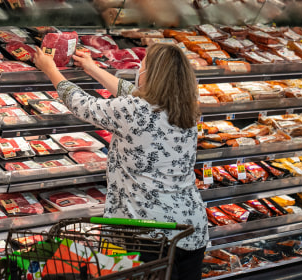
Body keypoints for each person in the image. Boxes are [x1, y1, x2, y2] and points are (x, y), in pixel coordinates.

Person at [34, 43, 209, 280]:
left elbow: (82, 105)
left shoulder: (134, 109)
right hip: (190, 228)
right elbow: (131, 92)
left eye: (143, 65)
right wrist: (92, 68)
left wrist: (50, 70)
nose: (139, 69)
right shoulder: (186, 108)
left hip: (148, 234)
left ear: (152, 75)